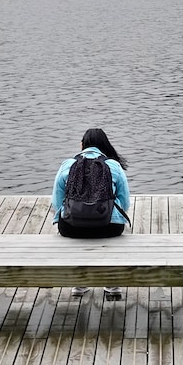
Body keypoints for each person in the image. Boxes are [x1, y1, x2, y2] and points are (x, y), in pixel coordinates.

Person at [53, 128, 132, 299]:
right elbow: (125, 202)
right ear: (105, 146)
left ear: (82, 145)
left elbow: (57, 203)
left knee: (77, 233)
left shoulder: (67, 165)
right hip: (109, 228)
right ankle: (112, 284)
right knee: (112, 234)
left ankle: (79, 284)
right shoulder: (113, 166)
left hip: (71, 228)